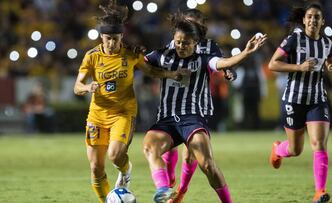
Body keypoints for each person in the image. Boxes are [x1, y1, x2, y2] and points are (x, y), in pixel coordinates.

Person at [142, 15, 266, 203]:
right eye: (178, 42)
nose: (181, 46)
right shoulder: (162, 55)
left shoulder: (204, 58)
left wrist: (246, 52)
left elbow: (224, 63)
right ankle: (163, 190)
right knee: (150, 147)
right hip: (166, 120)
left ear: (196, 43)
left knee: (207, 165)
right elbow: (139, 63)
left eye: (186, 43)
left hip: (192, 118)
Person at [73, 1, 188, 202]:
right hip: (97, 115)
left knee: (115, 155)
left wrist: (171, 74)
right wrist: (87, 87)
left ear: (121, 37)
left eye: (115, 39)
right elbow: (77, 85)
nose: (111, 43)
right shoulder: (91, 57)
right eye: (108, 39)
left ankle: (125, 172)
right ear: (101, 37)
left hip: (123, 113)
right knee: (95, 167)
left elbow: (151, 71)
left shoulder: (131, 54)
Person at [160, 9, 236, 203]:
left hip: (197, 105)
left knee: (190, 155)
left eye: (193, 24)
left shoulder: (210, 46)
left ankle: (181, 191)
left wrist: (228, 71)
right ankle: (170, 182)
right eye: (186, 23)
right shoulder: (174, 44)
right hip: (172, 104)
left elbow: (222, 63)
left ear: (201, 28)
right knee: (168, 150)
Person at [268, 3, 332, 203]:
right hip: (294, 100)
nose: (312, 20)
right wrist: (299, 67)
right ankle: (277, 149)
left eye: (317, 17)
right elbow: (273, 64)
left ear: (322, 22)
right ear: (304, 20)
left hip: (317, 100)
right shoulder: (294, 39)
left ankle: (319, 191)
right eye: (309, 16)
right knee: (295, 150)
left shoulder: (327, 43)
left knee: (319, 144)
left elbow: (331, 60)